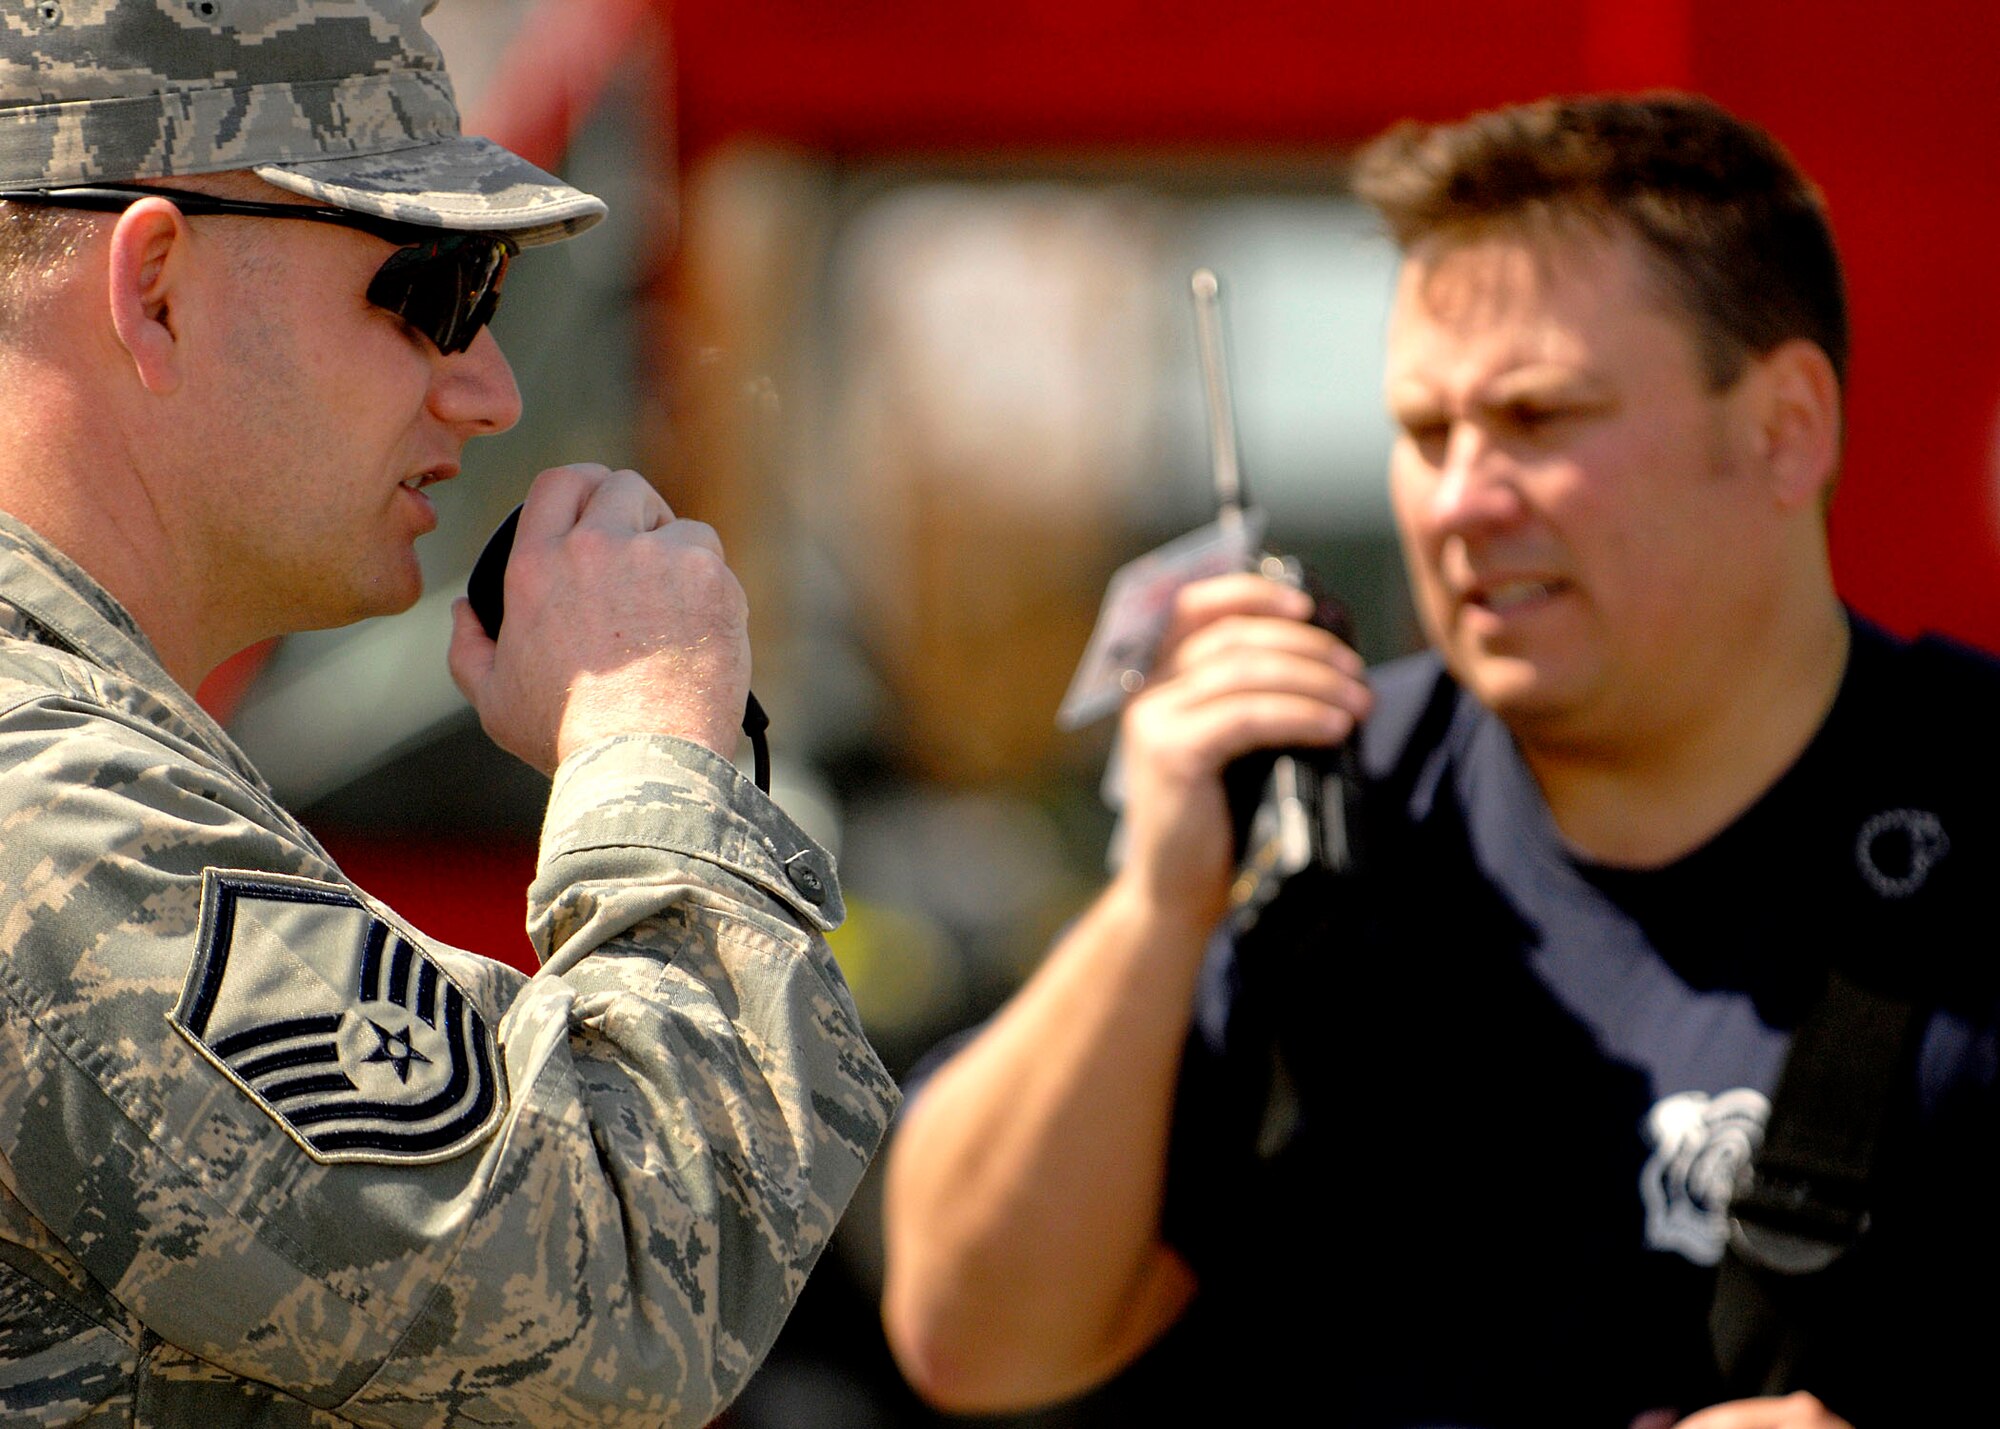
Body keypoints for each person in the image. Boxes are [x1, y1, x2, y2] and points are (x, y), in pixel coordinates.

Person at [878, 91, 2000, 1428]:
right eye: (1424, 433)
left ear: (1783, 427)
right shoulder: (1324, 820)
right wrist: (1157, 902)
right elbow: (972, 1334)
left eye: (1539, 416)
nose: (1461, 499)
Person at [0, 3, 896, 1425]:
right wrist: (651, 743)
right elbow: (625, 1298)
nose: (491, 390)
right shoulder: (46, 813)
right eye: (431, 287)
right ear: (156, 289)